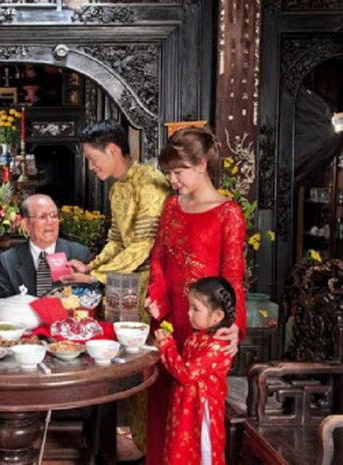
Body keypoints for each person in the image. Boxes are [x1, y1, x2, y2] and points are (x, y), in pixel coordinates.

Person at [63, 120, 171, 451]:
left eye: (93, 158)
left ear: (112, 150)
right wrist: (91, 266)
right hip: (122, 286)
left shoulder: (149, 183)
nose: (91, 166)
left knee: (143, 370)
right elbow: (116, 240)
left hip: (145, 289)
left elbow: (143, 246)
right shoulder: (118, 188)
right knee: (123, 369)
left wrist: (96, 277)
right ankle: (139, 448)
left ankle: (153, 450)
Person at [144, 126, 246, 465]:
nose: (172, 180)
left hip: (204, 325)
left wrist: (232, 326)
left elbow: (233, 276)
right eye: (169, 173)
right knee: (162, 407)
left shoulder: (228, 213)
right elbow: (158, 259)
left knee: (193, 411)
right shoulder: (172, 206)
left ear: (202, 165)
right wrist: (158, 299)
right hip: (169, 320)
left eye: (179, 171)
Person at [150, 277, 236, 465]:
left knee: (199, 453)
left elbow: (186, 374)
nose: (189, 313)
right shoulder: (197, 336)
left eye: (195, 309)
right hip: (184, 406)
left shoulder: (218, 347)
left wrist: (167, 346)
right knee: (178, 450)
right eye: (189, 307)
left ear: (217, 316)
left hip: (200, 411)